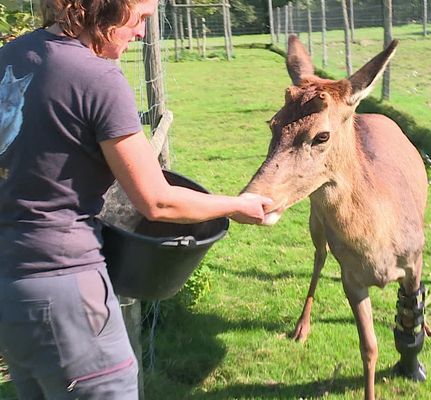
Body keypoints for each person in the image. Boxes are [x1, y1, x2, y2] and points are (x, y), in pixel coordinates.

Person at [0, 0, 272, 398]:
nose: (142, 32)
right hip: (66, 290)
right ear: (105, 7)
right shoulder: (96, 78)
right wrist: (237, 204)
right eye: (140, 17)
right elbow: (156, 202)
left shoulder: (9, 58)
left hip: (11, 290)